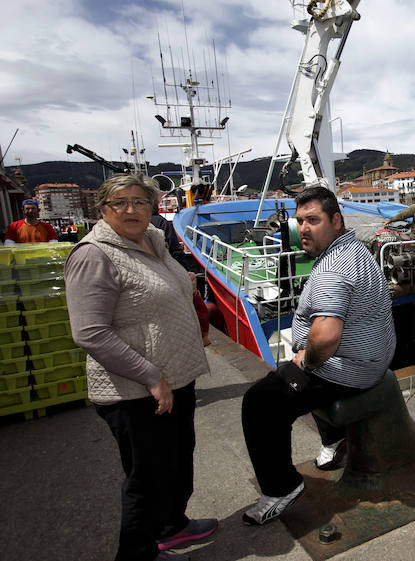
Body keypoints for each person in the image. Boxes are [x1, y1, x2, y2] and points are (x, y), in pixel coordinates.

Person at [64, 174, 217, 561]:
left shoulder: (154, 242)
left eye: (140, 201)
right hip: (135, 390)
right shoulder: (93, 255)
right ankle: (138, 553)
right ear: (102, 209)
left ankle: (171, 526)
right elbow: (91, 333)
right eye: (121, 202)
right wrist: (151, 377)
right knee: (146, 477)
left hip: (177, 378)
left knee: (178, 459)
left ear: (151, 208)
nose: (132, 209)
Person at [241, 186, 396, 526]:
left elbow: (325, 340)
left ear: (336, 220)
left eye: (313, 220)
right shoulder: (355, 249)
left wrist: (305, 362)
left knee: (260, 402)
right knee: (289, 376)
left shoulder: (331, 269)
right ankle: (333, 437)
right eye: (300, 221)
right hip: (372, 360)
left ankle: (282, 487)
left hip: (348, 369)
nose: (304, 229)